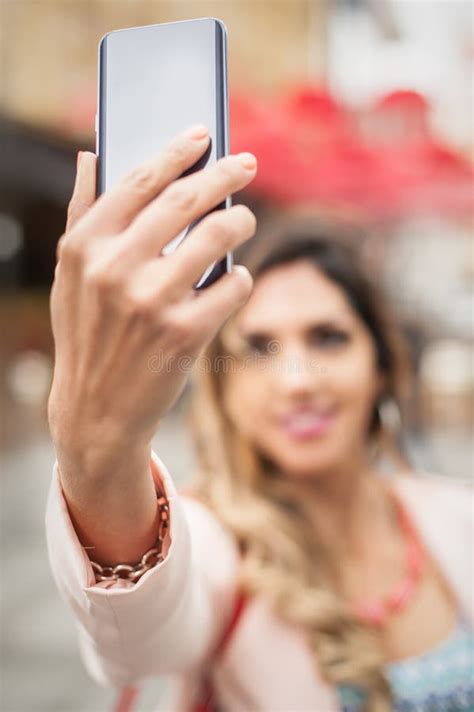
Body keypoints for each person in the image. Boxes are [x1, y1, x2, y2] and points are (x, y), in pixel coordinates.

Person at [45, 125, 473, 712]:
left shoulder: (457, 517)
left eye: (328, 338)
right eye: (260, 348)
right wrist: (97, 452)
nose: (297, 381)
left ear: (380, 364)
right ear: (225, 388)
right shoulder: (214, 549)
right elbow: (133, 645)